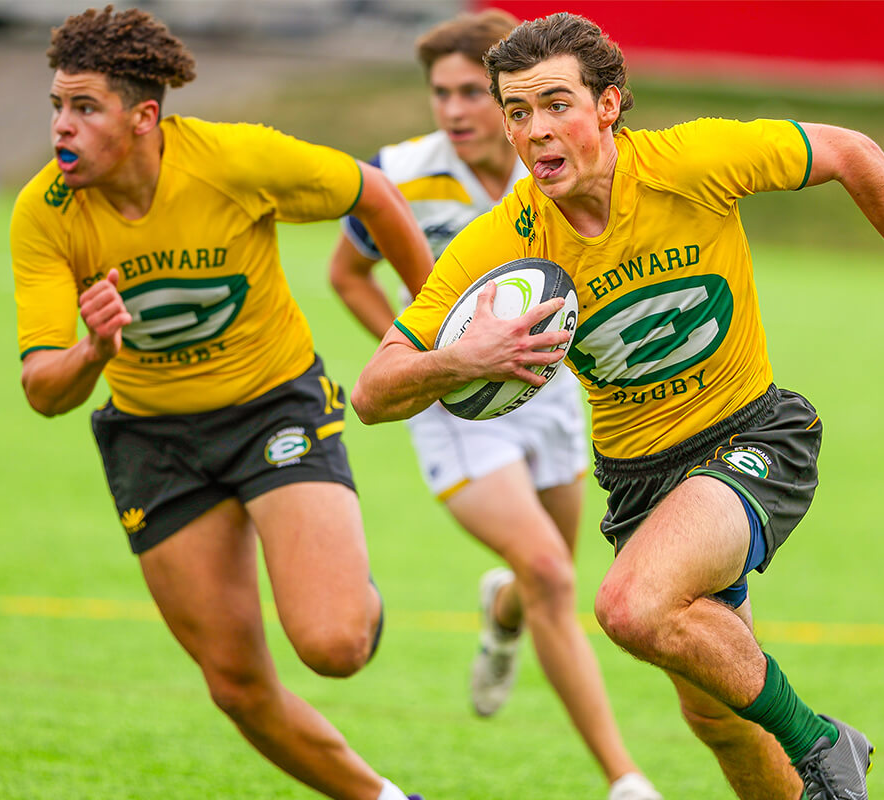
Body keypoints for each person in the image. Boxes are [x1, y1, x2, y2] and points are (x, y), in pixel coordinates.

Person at [351, 12, 884, 800]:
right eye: (518, 112)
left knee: (629, 606)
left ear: (609, 105)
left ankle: (825, 743)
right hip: (638, 480)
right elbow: (371, 391)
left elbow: (851, 152)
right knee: (720, 718)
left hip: (752, 435)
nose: (536, 130)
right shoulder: (504, 241)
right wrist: (461, 358)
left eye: (557, 104)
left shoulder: (690, 161)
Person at [9, 7, 433, 800]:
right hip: (152, 440)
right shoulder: (44, 212)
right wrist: (91, 352)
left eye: (84, 108)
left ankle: (352, 593)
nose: (62, 127)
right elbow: (42, 391)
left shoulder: (235, 159)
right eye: (57, 107)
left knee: (335, 645)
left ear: (144, 117)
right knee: (235, 684)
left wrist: (430, 324)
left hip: (273, 409)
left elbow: (371, 193)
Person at [328, 11, 660, 800]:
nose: (454, 109)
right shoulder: (401, 174)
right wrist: (433, 369)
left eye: (473, 92)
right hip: (453, 412)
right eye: (440, 92)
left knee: (549, 576)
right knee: (548, 568)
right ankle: (625, 780)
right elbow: (348, 274)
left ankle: (502, 611)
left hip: (552, 396)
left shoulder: (552, 162)